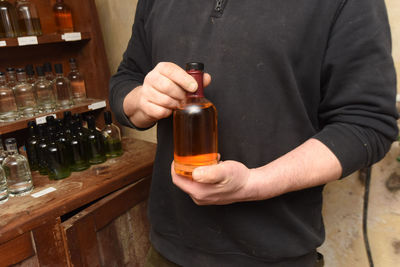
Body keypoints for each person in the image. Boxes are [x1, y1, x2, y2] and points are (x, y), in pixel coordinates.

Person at [109, 0, 398, 266]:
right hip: (166, 250)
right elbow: (127, 78)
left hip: (276, 256)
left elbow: (366, 123)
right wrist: (141, 101)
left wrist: (254, 183)